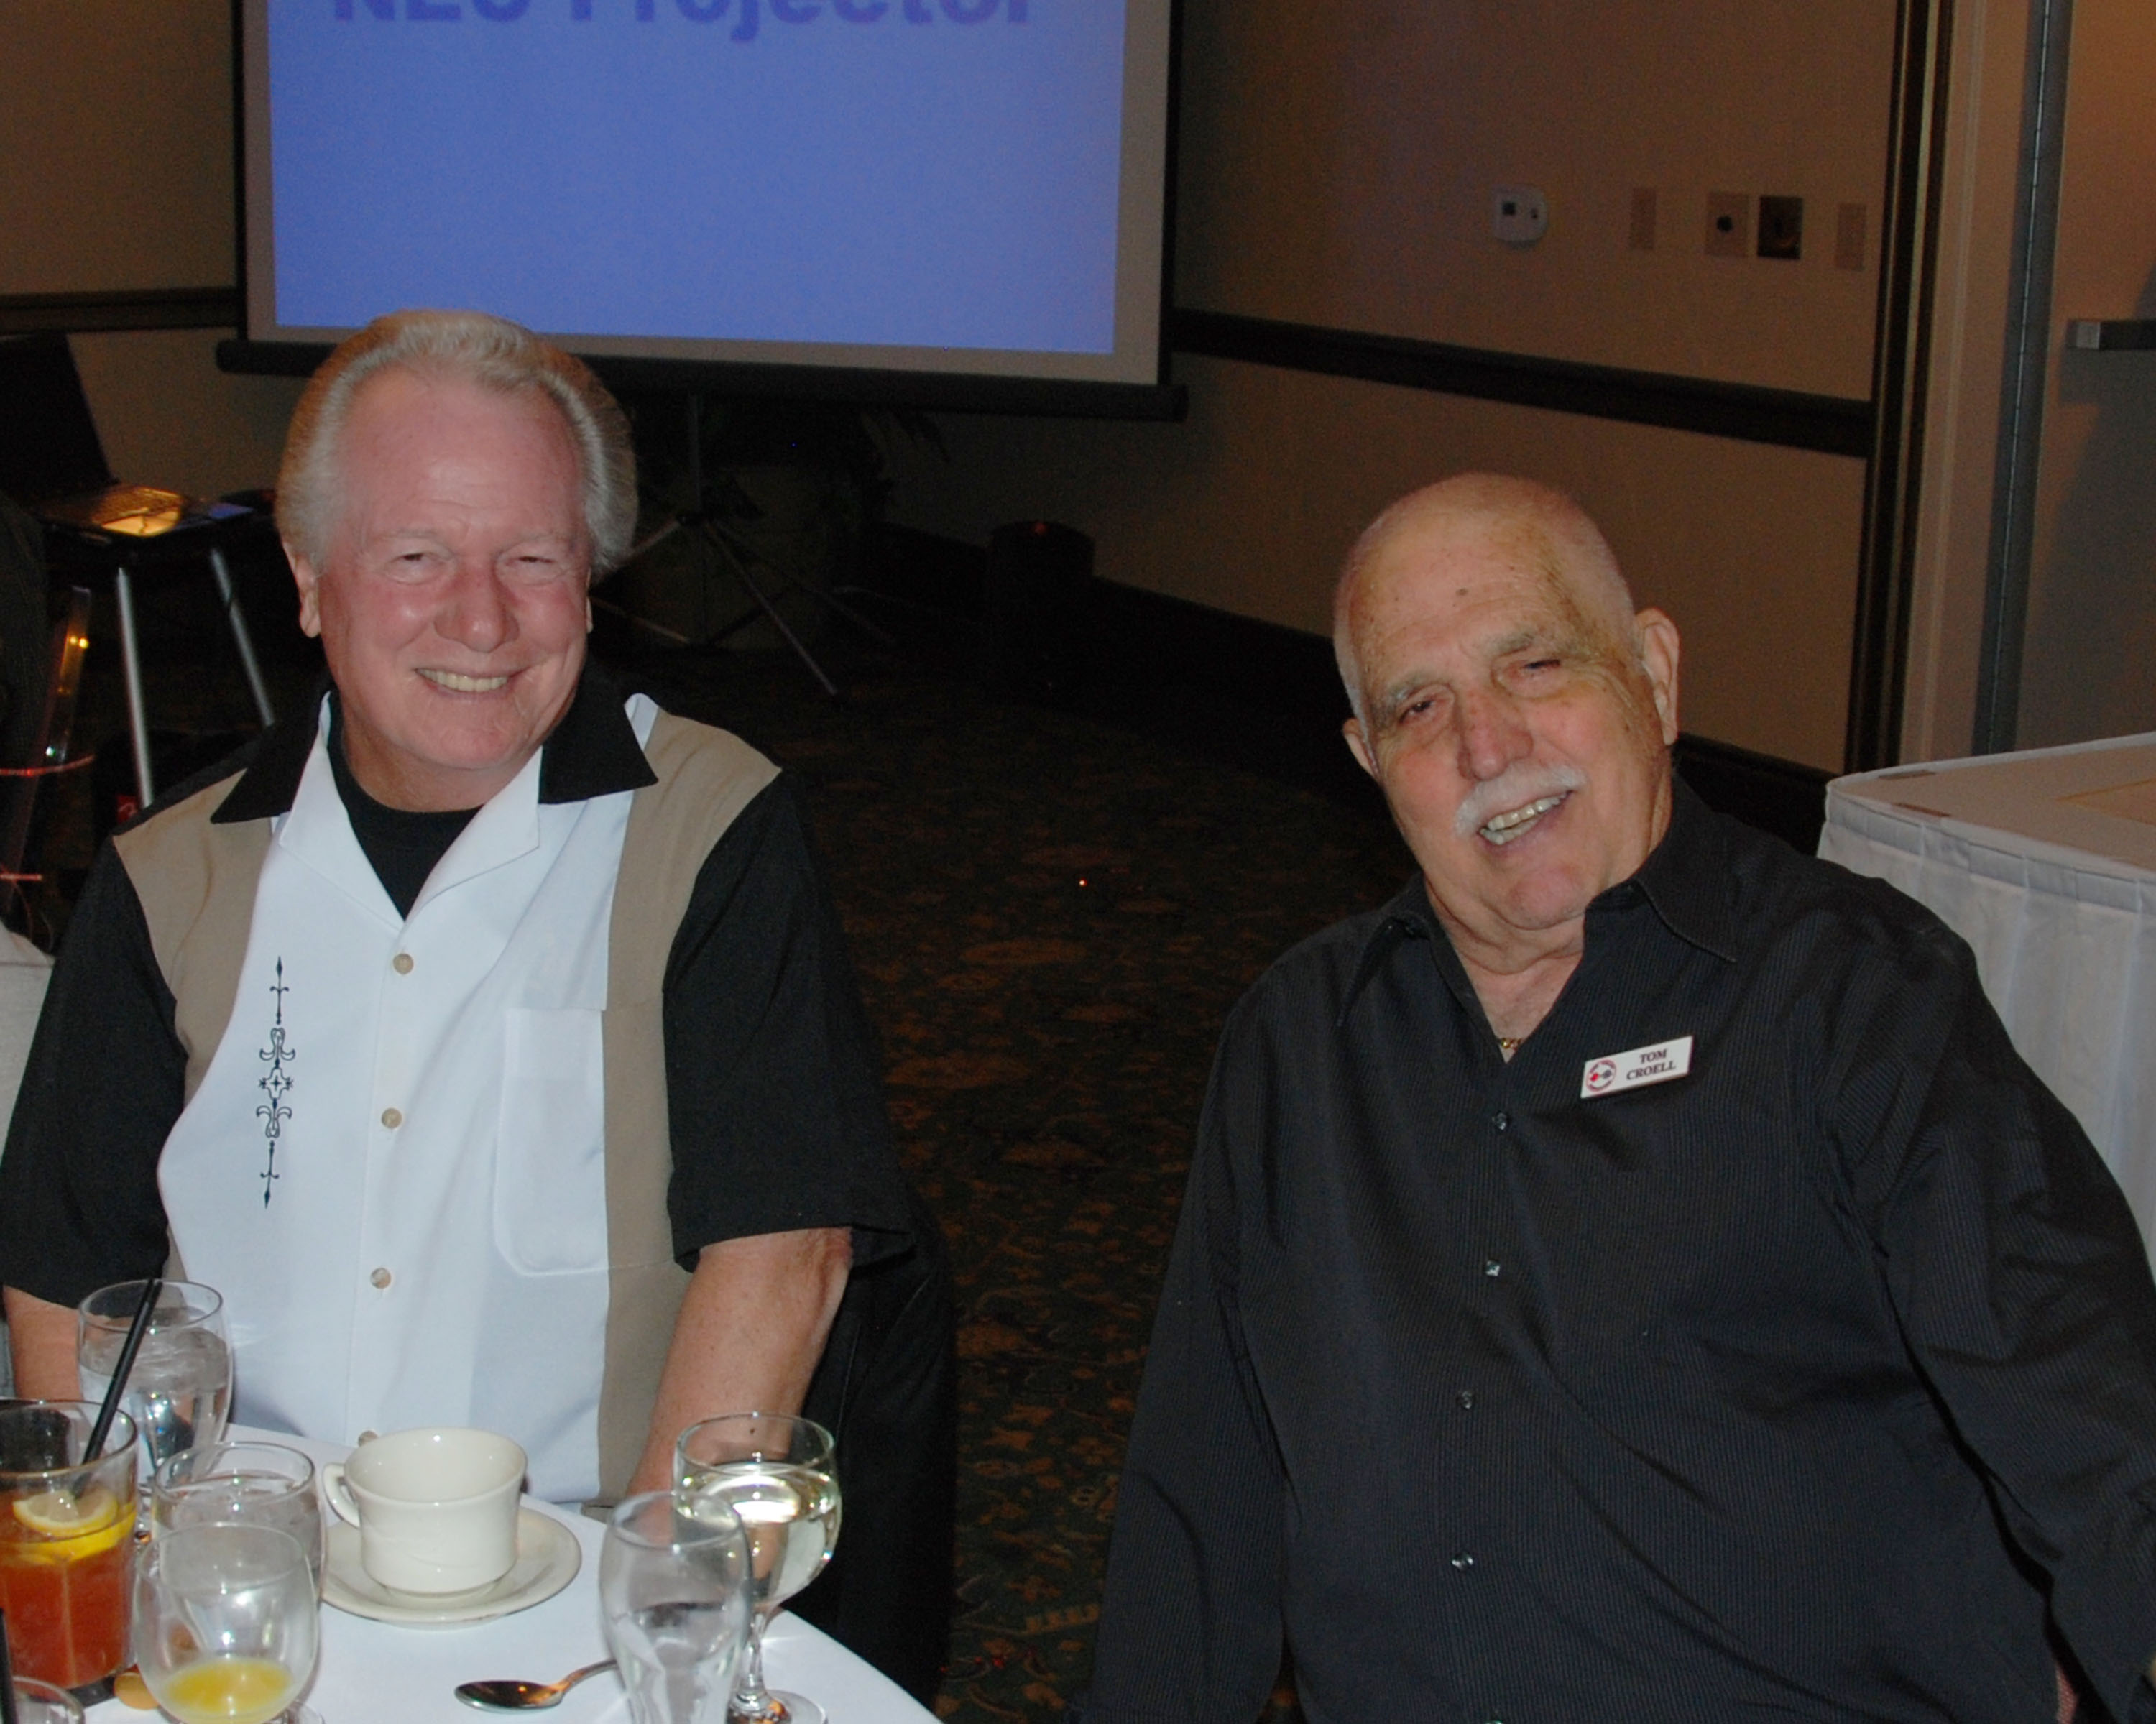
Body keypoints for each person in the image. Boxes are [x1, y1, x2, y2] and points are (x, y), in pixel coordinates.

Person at [1077, 474, 2156, 1723]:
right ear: (1370, 762)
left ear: (1652, 671)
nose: (1487, 746)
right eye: (1418, 707)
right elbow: (1198, 1503)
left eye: (1534, 666)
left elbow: (2090, 1414)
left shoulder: (1851, 998)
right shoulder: (1303, 1041)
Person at [0, 310, 952, 1696]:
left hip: (567, 1605)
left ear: (595, 584)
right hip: (243, 1606)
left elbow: (783, 1257)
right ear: (311, 577)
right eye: (416, 557)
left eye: (532, 559)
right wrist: (130, 1623)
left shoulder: (709, 828)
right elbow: (59, 1287)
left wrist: (643, 1639)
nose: (481, 618)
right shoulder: (171, 873)